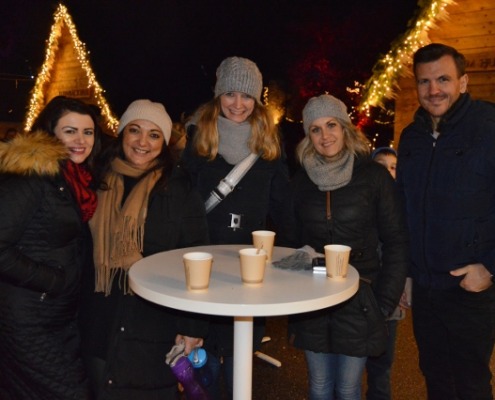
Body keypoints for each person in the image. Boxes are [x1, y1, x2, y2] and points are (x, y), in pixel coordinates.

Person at [79, 99, 210, 399]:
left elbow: (197, 260)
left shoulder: (179, 189)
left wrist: (192, 326)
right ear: (122, 133)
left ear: (164, 142)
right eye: (134, 130)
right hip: (97, 318)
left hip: (154, 324)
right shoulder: (95, 180)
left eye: (154, 135)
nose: (142, 142)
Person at [181, 56, 295, 398]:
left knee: (239, 358)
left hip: (249, 267)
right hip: (204, 264)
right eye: (230, 94)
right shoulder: (198, 137)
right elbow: (181, 200)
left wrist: (297, 253)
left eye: (247, 96)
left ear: (257, 100)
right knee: (206, 362)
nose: (238, 104)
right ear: (218, 95)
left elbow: (284, 207)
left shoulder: (269, 143)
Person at [288, 94, 409, 400]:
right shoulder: (301, 182)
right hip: (314, 297)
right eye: (315, 129)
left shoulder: (373, 176)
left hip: (361, 296)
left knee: (348, 387)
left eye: (331, 125)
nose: (325, 136)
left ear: (345, 128)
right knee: (318, 385)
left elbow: (396, 241)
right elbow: (291, 242)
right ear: (307, 135)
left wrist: (384, 303)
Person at [396, 43, 495, 400]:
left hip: (469, 288)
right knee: (435, 377)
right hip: (425, 288)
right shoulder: (412, 137)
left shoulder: (488, 128)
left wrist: (489, 267)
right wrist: (407, 273)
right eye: (424, 81)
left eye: (443, 79)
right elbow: (404, 210)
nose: (433, 89)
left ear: (463, 82)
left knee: (470, 383)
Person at [0, 96, 101, 399]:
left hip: (58, 315)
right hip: (27, 318)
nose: (81, 140)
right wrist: (53, 280)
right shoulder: (31, 177)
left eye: (88, 132)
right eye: (70, 131)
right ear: (49, 133)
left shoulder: (71, 178)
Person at [366, 146, 411, 400]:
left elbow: (405, 250)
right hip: (362, 291)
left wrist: (405, 282)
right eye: (381, 166)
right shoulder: (360, 200)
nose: (387, 172)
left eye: (393, 167)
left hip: (390, 296)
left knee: (382, 365)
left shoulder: (404, 206)